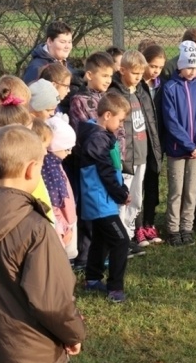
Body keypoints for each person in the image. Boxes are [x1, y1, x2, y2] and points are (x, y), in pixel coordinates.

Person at [0, 125, 85, 363]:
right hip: (33, 352)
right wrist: (73, 333)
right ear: (32, 169)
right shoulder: (35, 227)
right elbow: (51, 298)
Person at [159, 28, 196, 229]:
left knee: (191, 190)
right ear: (180, 66)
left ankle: (187, 226)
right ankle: (173, 227)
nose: (193, 71)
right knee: (176, 191)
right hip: (178, 148)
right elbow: (171, 120)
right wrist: (188, 143)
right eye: (189, 67)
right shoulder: (170, 88)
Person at [76, 93, 132, 303]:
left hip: (99, 200)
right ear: (107, 115)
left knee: (101, 239)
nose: (120, 126)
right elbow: (105, 171)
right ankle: (115, 288)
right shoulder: (98, 139)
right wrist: (121, 193)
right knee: (121, 240)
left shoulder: (97, 133)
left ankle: (92, 279)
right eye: (120, 120)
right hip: (100, 200)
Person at [108, 50, 161, 254]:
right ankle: (119, 238)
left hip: (142, 155)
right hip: (126, 158)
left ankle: (130, 235)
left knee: (136, 198)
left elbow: (150, 124)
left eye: (141, 73)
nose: (139, 77)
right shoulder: (115, 93)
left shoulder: (142, 91)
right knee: (123, 199)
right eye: (135, 73)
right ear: (122, 70)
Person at [66, 51, 115, 271]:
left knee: (102, 207)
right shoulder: (79, 100)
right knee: (87, 209)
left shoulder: (106, 98)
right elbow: (87, 133)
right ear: (89, 75)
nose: (108, 80)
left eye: (110, 76)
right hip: (86, 165)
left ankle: (99, 251)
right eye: (103, 75)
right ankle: (83, 256)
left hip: (104, 162)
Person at [138, 44, 166, 244]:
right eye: (152, 65)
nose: (155, 70)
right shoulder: (138, 86)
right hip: (141, 142)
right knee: (139, 185)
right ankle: (137, 225)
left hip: (158, 143)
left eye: (159, 67)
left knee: (153, 184)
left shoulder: (161, 85)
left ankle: (149, 223)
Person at [43, 114, 79, 258]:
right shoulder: (49, 168)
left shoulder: (56, 163)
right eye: (67, 149)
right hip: (61, 223)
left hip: (67, 219)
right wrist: (63, 225)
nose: (69, 153)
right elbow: (54, 201)